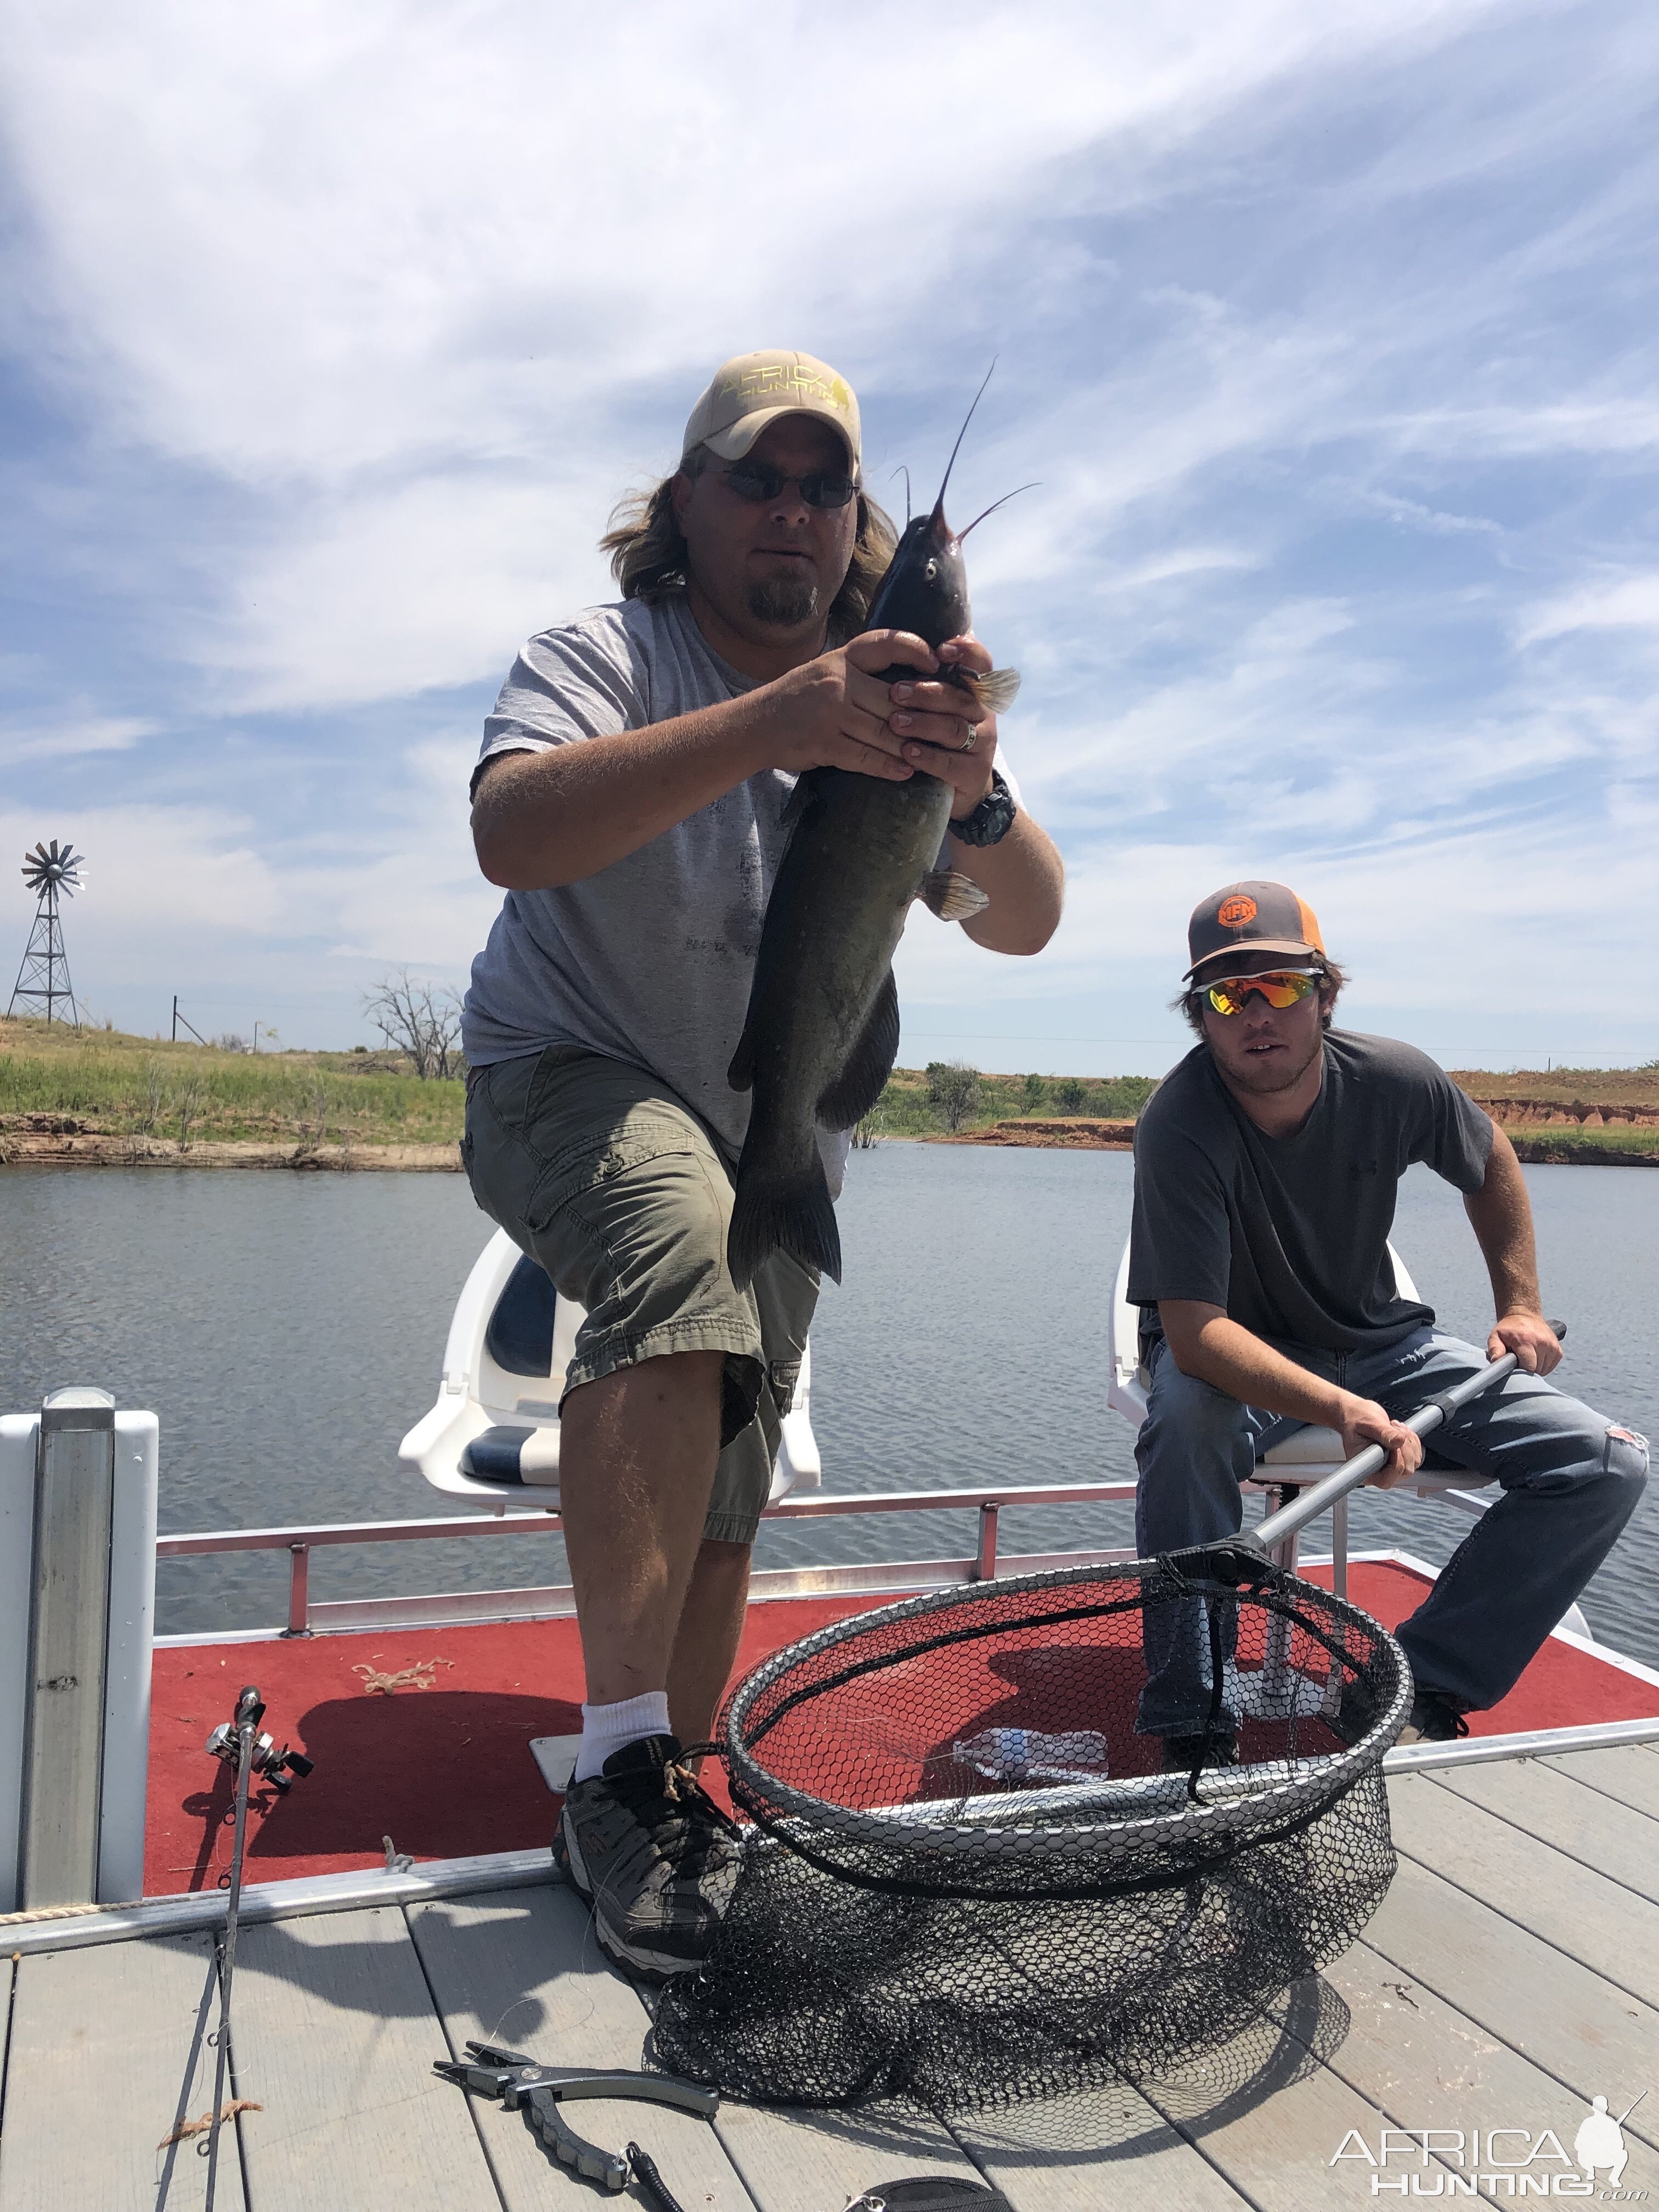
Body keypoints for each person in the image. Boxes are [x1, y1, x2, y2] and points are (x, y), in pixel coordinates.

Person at [459, 349, 1064, 1976]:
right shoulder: (606, 654)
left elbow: (1028, 926)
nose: (795, 511)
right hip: (566, 1073)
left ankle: (668, 1776)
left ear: (857, 524)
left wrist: (974, 790)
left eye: (825, 486)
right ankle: (611, 1767)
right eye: (758, 478)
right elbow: (513, 834)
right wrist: (778, 720)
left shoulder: (907, 717)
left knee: (738, 1429)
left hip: (779, 1121)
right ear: (687, 505)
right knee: (673, 1241)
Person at [1127, 879, 1647, 1764]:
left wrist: (1517, 1301)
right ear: (1201, 1018)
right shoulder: (1178, 1126)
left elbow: (1489, 1160)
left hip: (1384, 1344)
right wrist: (1341, 1408)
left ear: (1327, 994)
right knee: (1184, 1427)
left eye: (1281, 987)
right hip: (1236, 1359)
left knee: (1603, 1463)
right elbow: (1195, 1336)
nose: (1256, 1013)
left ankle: (1419, 1680)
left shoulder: (1396, 1079)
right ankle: (1190, 1712)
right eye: (1225, 995)